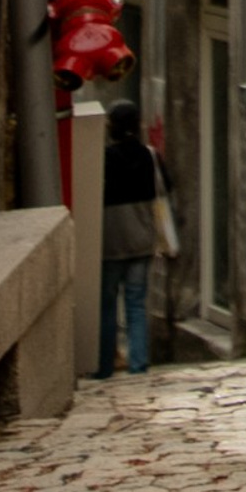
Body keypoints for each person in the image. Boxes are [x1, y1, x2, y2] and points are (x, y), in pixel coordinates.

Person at [97, 99, 166, 377]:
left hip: (111, 242)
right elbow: (164, 189)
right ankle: (138, 364)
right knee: (137, 304)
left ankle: (103, 366)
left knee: (107, 305)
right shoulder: (149, 155)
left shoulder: (104, 157)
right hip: (141, 240)